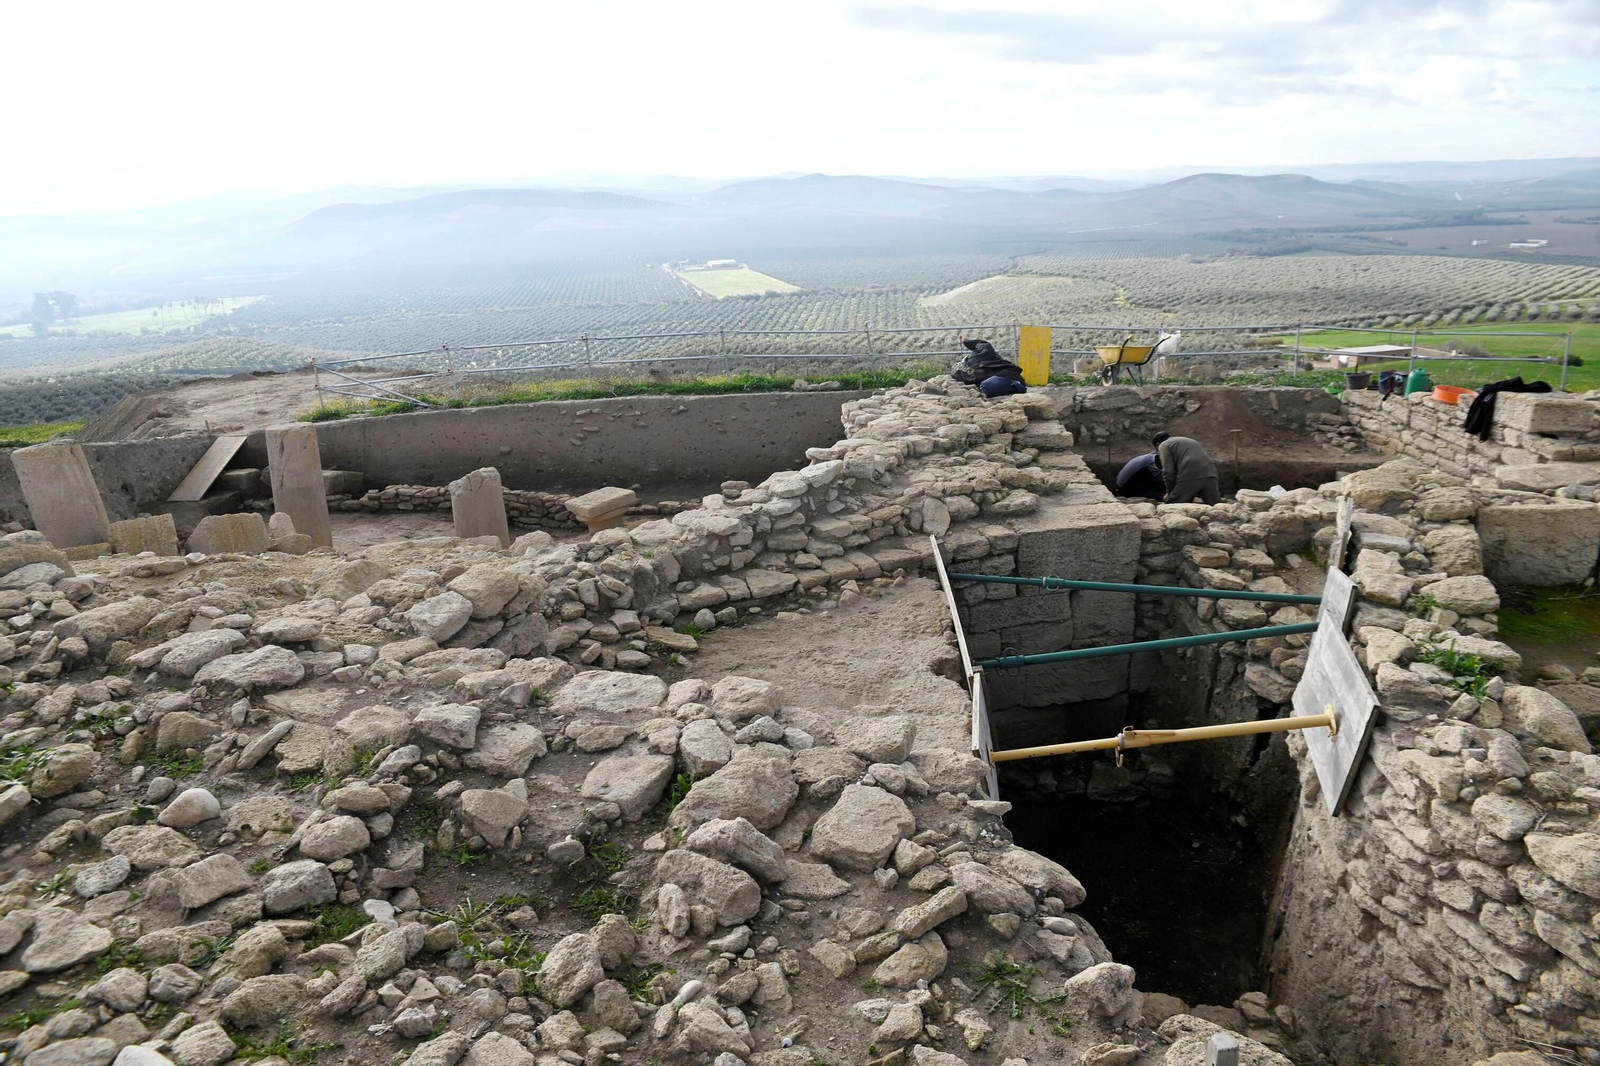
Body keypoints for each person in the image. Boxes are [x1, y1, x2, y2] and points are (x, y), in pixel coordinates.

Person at [1153, 431, 1220, 504]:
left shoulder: (1164, 445)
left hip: (1191, 471)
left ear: (1157, 444)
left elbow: (1168, 471)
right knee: (1215, 506)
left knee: (1173, 504)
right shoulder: (1188, 440)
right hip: (1210, 471)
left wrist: (1170, 492)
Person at [952, 334, 1026, 398]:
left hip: (999, 379)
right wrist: (965, 340)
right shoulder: (987, 352)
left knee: (987, 386)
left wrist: (964, 340)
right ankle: (1016, 385)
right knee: (988, 385)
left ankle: (1015, 386)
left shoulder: (969, 372)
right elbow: (980, 343)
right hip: (1010, 375)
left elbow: (963, 378)